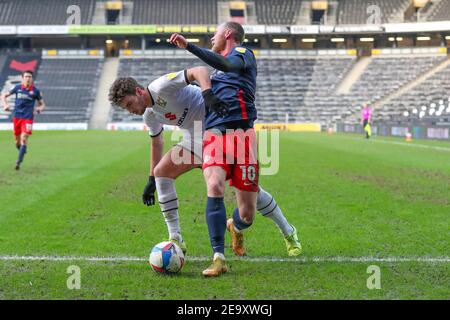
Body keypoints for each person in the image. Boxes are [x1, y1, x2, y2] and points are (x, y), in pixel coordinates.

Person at [108, 68, 302, 266]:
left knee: (251, 196)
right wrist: (151, 179)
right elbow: (156, 142)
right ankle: (175, 238)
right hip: (194, 140)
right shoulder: (149, 115)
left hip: (218, 130)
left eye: (129, 104)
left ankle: (288, 231)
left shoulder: (161, 86)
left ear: (139, 91)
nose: (130, 110)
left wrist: (207, 93)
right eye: (126, 108)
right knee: (161, 172)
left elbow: (198, 71)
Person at [170, 21, 301, 277]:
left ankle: (235, 226)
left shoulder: (243, 55)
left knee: (247, 215)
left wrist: (190, 46)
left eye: (215, 34)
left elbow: (227, 64)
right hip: (216, 135)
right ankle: (218, 257)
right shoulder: (214, 75)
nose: (211, 39)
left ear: (228, 34)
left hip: (243, 136)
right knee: (215, 184)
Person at [1, 70, 45, 170]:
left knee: (24, 138)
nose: (28, 78)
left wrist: (39, 109)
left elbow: (42, 104)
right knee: (17, 141)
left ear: (32, 78)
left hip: (28, 118)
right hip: (17, 117)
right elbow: (3, 95)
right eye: (26, 77)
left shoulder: (36, 91)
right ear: (22, 78)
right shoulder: (17, 88)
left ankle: (18, 162)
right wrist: (5, 105)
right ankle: (22, 150)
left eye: (30, 77)